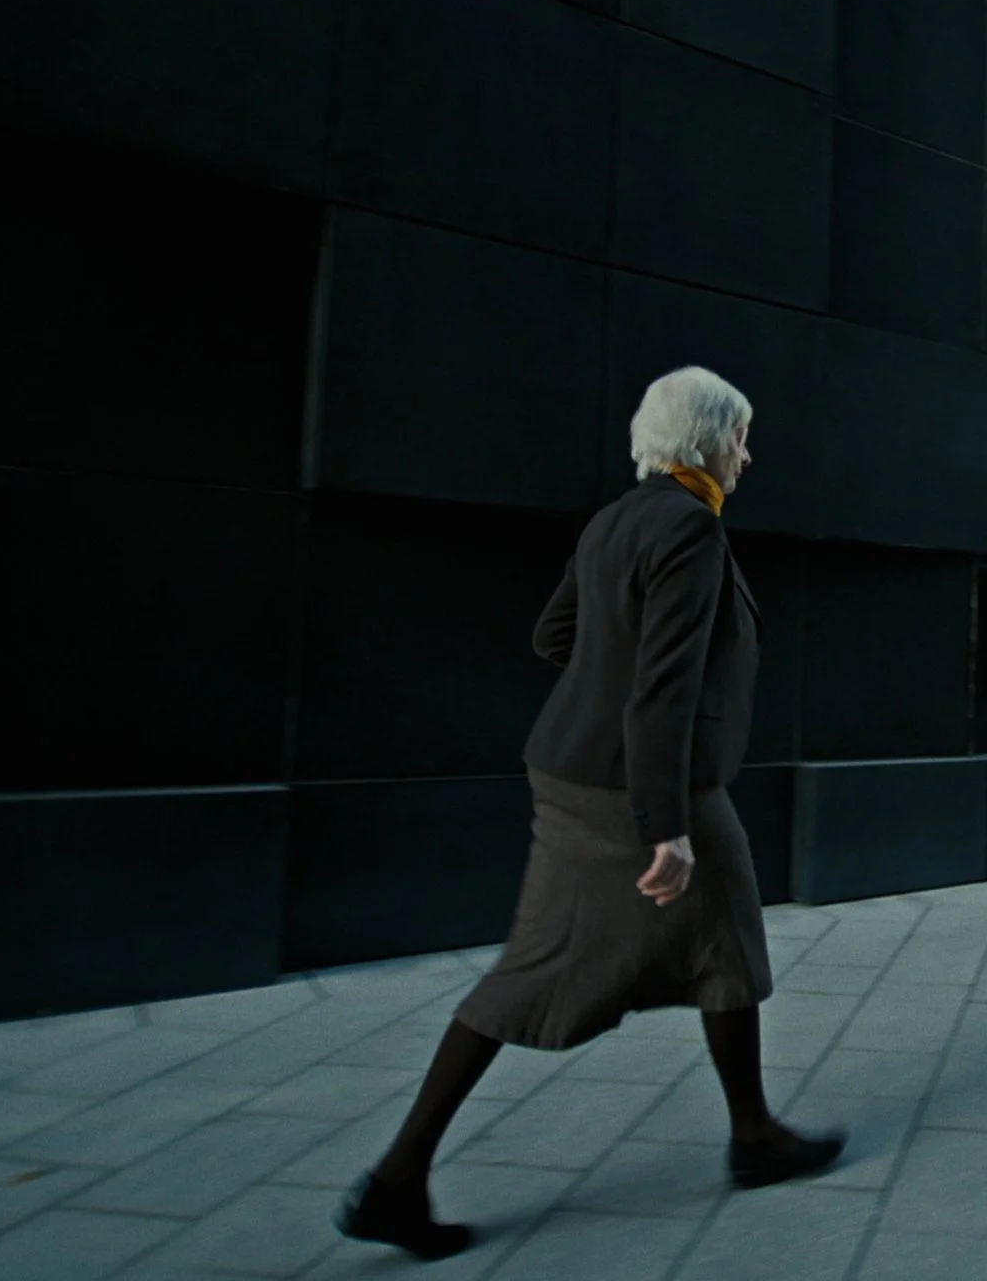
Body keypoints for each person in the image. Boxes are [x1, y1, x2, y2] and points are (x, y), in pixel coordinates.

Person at [336, 367, 842, 1261]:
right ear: (705, 440)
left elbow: (555, 636)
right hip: (642, 788)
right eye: (739, 437)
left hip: (575, 771)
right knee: (552, 969)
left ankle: (752, 1132)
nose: (747, 454)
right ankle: (398, 1177)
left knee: (718, 944)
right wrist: (663, 824)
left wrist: (606, 691)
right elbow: (663, 686)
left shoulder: (615, 519)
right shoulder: (690, 527)